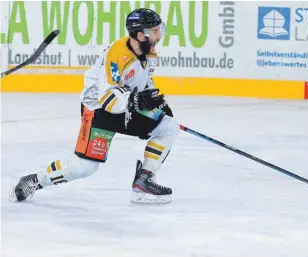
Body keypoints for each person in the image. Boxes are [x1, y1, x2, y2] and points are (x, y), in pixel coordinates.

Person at [10, 8, 180, 204]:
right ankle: (35, 180)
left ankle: (144, 180)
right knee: (85, 168)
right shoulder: (117, 55)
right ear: (141, 34)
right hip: (99, 110)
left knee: (168, 126)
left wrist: (154, 100)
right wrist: (136, 100)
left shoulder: (150, 53)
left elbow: (143, 82)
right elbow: (107, 98)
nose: (160, 35)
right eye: (156, 31)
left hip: (125, 108)